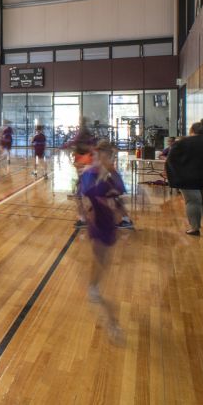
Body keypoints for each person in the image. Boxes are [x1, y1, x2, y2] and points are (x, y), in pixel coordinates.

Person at [77, 139, 128, 344]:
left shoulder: (113, 175)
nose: (102, 159)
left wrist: (123, 214)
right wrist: (87, 212)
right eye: (99, 156)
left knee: (105, 260)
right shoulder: (90, 174)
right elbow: (83, 196)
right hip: (97, 222)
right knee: (100, 257)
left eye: (106, 156)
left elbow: (118, 196)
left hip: (109, 222)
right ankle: (110, 320)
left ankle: (94, 286)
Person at [165, 122, 203, 235]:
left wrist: (175, 177)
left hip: (188, 180)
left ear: (191, 130)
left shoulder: (181, 143)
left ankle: (195, 228)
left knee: (192, 202)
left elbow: (171, 161)